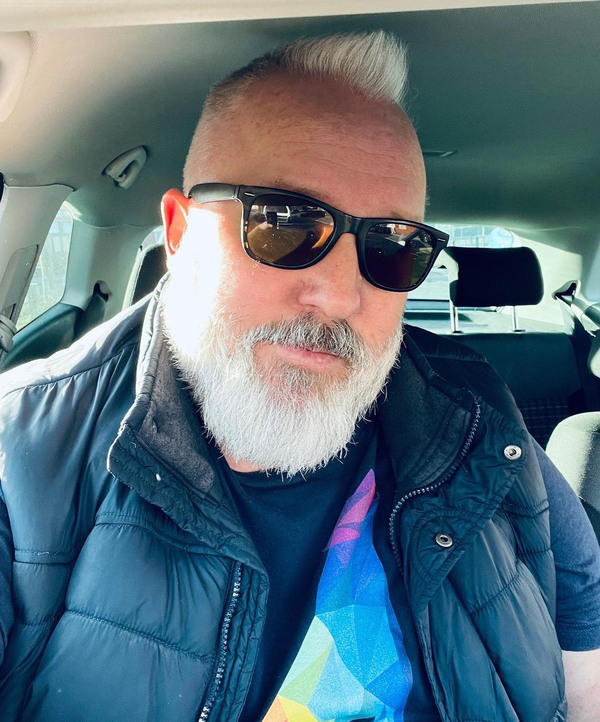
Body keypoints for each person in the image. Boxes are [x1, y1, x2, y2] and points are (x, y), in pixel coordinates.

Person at [0, 31, 599, 722]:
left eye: (393, 246)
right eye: (283, 223)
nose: (340, 296)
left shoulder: (479, 424)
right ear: (181, 233)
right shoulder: (23, 458)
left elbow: (585, 660)